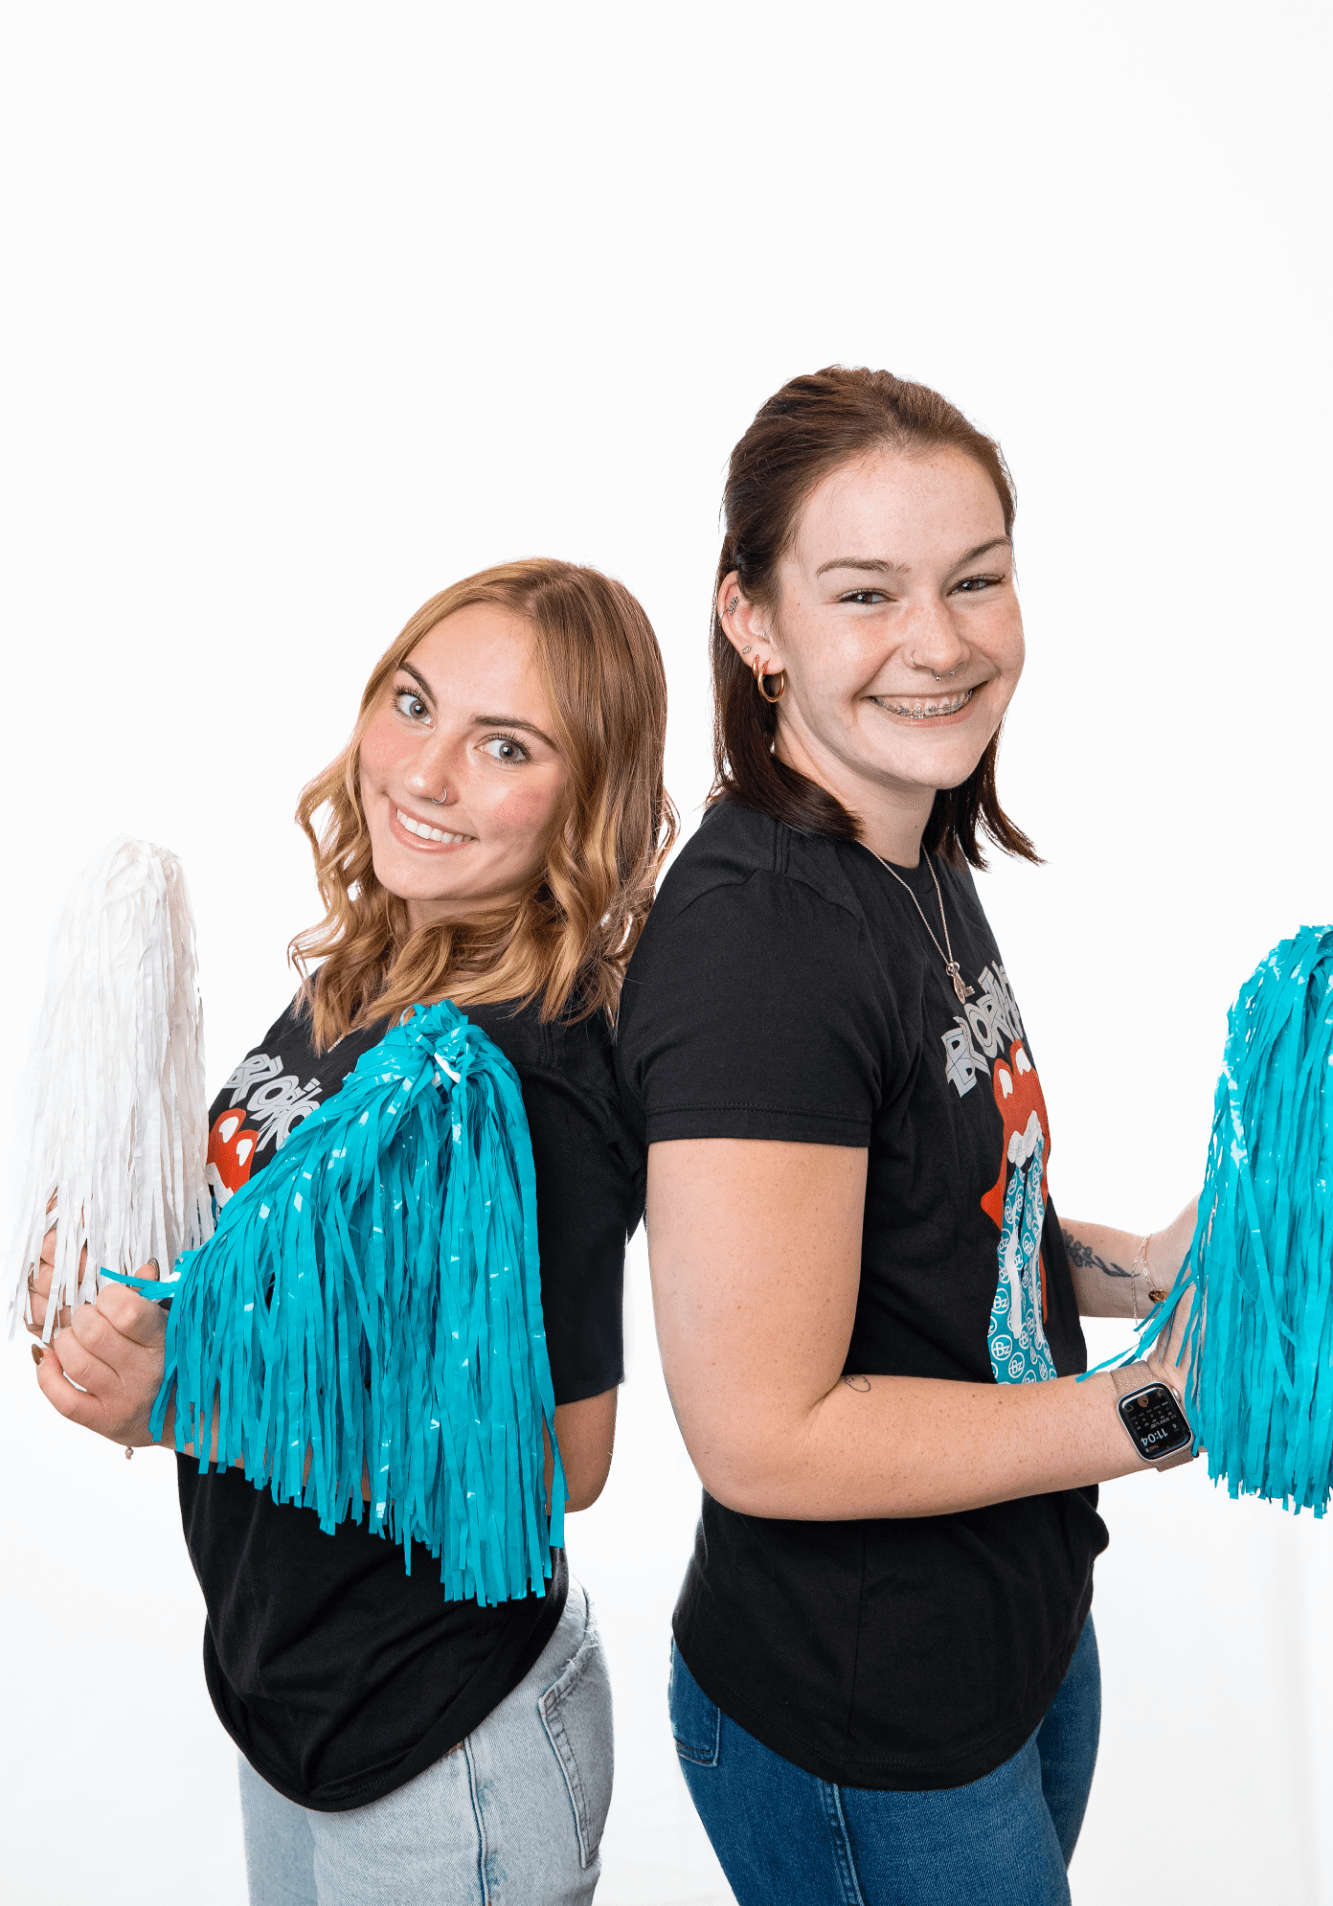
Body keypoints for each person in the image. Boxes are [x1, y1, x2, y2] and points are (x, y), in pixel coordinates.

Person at [614, 367, 1197, 1906]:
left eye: (977, 580)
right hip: (871, 1731)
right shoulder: (760, 947)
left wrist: (1144, 1262)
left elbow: (940, 1207)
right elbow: (763, 1431)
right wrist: (1156, 1407)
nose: (940, 642)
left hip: (1013, 1635)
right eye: (864, 592)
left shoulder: (905, 838)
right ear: (753, 623)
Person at [28, 558, 676, 1906]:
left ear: (587, 796)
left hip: (447, 1752)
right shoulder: (370, 970)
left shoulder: (527, 1069)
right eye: (412, 701)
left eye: (503, 745)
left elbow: (567, 1454)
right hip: (299, 1698)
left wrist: (192, 1396)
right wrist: (123, 1271)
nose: (423, 774)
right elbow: (302, 1281)